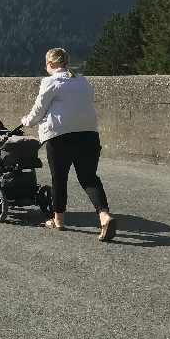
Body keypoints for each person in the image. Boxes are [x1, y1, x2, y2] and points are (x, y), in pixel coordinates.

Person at [20, 47, 116, 241]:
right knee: (89, 178)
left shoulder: (51, 82)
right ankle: (104, 215)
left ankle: (59, 221)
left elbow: (38, 111)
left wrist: (26, 121)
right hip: (89, 135)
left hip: (60, 137)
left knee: (59, 178)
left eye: (46, 63)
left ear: (52, 64)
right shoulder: (83, 81)